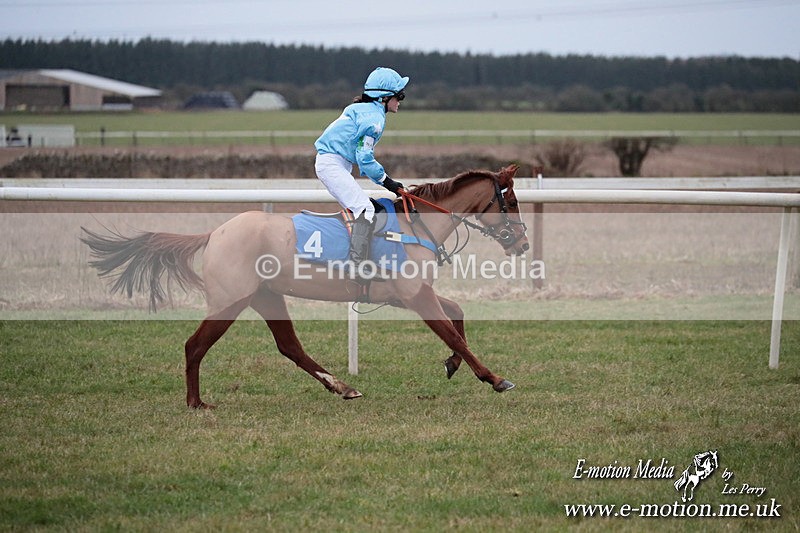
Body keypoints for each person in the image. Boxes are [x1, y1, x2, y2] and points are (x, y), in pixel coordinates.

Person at [314, 67, 407, 277]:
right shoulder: (373, 120)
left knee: (371, 208)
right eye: (399, 95)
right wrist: (387, 181)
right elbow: (364, 158)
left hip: (337, 163)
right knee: (365, 210)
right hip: (332, 165)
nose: (401, 100)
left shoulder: (365, 109)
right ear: (384, 98)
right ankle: (357, 267)